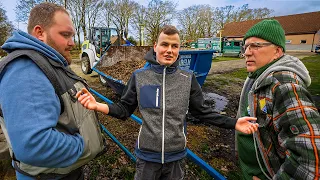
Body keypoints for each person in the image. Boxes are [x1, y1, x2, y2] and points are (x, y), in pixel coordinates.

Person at [76, 25, 258, 179]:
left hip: (175, 159)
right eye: (164, 44)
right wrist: (97, 105)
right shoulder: (139, 77)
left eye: (174, 46)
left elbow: (203, 113)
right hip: (147, 159)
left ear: (179, 49)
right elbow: (124, 110)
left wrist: (234, 123)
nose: (169, 50)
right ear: (155, 46)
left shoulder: (187, 78)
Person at [0, 2, 105, 179]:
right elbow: (34, 145)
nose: (72, 43)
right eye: (65, 35)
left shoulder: (47, 63)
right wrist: (85, 145)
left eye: (72, 35)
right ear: (40, 33)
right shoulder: (26, 70)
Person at [236, 19, 320, 180]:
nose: (246, 52)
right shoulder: (257, 77)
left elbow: (311, 159)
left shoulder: (284, 85)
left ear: (277, 51)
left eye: (255, 46)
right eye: (246, 46)